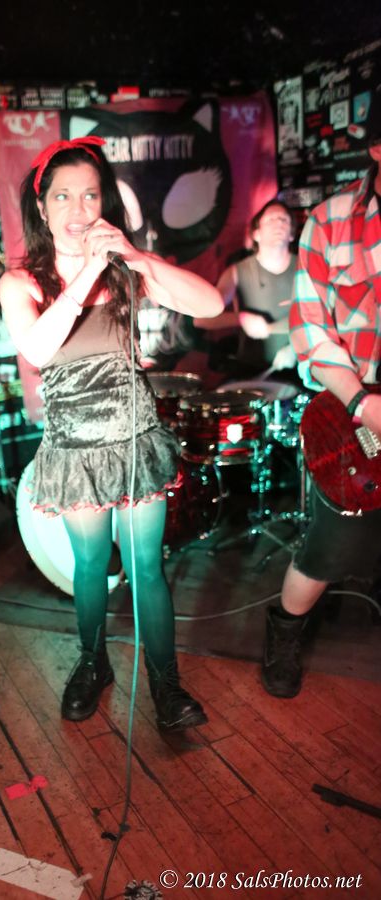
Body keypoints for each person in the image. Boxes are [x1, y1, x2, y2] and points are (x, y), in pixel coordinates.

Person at [0, 137, 223, 730]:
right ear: (42, 207)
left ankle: (166, 684)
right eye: (63, 196)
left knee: (147, 566)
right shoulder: (19, 282)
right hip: (75, 451)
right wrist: (90, 271)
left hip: (134, 442)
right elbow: (38, 348)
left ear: (104, 204)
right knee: (92, 563)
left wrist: (137, 258)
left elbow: (209, 302)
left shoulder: (125, 269)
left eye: (90, 195)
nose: (78, 209)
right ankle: (93, 663)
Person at [261, 113, 381, 699]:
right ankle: (283, 632)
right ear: (377, 148)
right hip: (350, 406)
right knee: (332, 544)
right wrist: (363, 402)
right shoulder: (330, 222)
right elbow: (311, 333)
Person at [195, 200, 298, 377]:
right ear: (256, 233)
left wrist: (296, 349)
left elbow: (323, 316)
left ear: (292, 235)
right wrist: (240, 319)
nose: (278, 223)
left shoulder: (305, 267)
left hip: (299, 371)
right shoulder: (237, 272)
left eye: (284, 219)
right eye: (271, 219)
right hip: (251, 371)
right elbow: (202, 319)